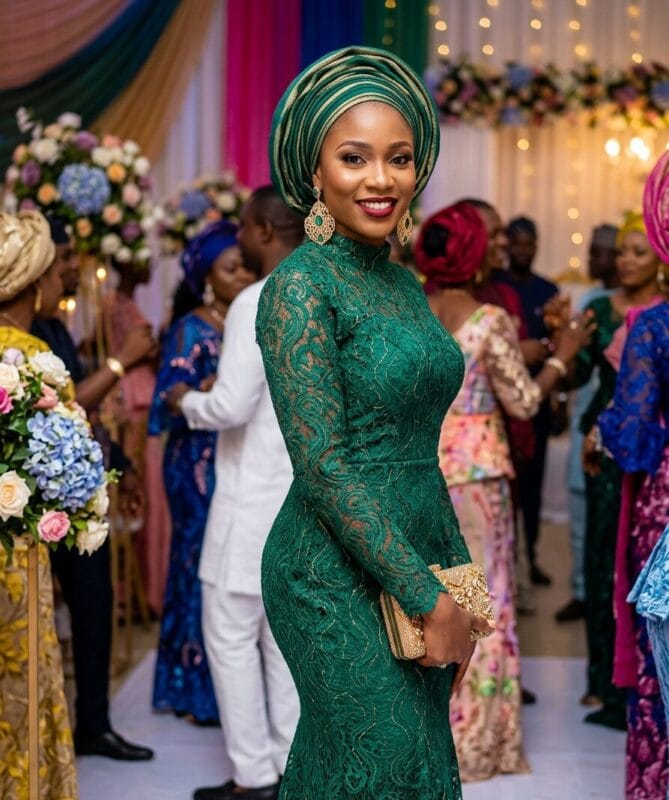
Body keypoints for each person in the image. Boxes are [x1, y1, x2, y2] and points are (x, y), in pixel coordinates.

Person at [254, 46, 494, 799]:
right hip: (325, 571)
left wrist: (458, 588)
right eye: (353, 158)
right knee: (382, 758)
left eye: (399, 158)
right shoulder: (299, 287)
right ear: (315, 173)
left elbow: (419, 452)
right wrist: (426, 596)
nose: (380, 179)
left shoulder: (402, 283)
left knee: (414, 759)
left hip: (418, 549)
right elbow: (323, 466)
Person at [413, 201, 591, 781]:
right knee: (482, 602)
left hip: (423, 471)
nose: (496, 248)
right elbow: (524, 400)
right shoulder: (488, 319)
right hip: (478, 479)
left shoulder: (413, 309)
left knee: (432, 596)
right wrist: (562, 358)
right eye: (486, 241)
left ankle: (427, 734)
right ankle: (475, 743)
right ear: (469, 254)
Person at [165, 187, 303, 800]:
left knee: (230, 635)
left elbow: (231, 405)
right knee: (284, 641)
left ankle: (255, 777)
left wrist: (185, 400)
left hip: (251, 503)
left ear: (265, 230)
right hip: (302, 502)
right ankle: (292, 766)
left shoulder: (256, 299)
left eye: (244, 228)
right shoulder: (321, 289)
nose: (240, 239)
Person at [31, 216, 155, 760]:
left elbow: (84, 416)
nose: (73, 270)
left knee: (94, 601)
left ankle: (94, 724)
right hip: (34, 500)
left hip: (76, 492)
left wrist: (121, 466)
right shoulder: (23, 333)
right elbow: (66, 403)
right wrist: (122, 359)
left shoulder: (56, 326)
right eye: (64, 260)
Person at [149, 221, 255, 726]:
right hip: (194, 463)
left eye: (245, 267)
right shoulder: (191, 328)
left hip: (240, 456)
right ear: (206, 277)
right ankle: (192, 688)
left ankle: (228, 688)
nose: (243, 276)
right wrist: (206, 387)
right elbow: (167, 396)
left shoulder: (253, 316)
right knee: (199, 565)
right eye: (230, 269)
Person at [574, 212, 663, 731]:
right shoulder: (600, 309)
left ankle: (639, 681)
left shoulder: (660, 316)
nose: (625, 261)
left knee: (642, 562)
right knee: (602, 558)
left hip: (648, 448)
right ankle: (602, 681)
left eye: (637, 252)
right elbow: (579, 376)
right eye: (622, 252)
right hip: (604, 442)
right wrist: (568, 344)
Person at [0, 210, 77, 798]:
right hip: (18, 558)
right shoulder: (35, 362)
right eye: (53, 273)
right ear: (32, 284)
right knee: (20, 677)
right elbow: (70, 473)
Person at [556, 223, 619, 624]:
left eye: (599, 252)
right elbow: (575, 366)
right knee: (581, 511)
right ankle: (583, 590)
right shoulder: (592, 302)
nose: (592, 259)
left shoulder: (638, 306)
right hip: (587, 419)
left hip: (618, 427)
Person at [101, 256, 171, 615]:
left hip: (142, 399)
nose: (150, 267)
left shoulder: (123, 303)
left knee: (151, 496)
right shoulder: (113, 303)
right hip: (131, 403)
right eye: (145, 261)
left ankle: (149, 587)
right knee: (140, 495)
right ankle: (134, 588)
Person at [493, 216, 558, 586]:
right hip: (498, 406)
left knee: (533, 485)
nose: (522, 250)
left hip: (538, 399)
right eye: (516, 242)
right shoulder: (495, 287)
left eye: (528, 243)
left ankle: (529, 557)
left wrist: (559, 398)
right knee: (506, 489)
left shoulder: (547, 290)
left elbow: (556, 347)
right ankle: (506, 562)